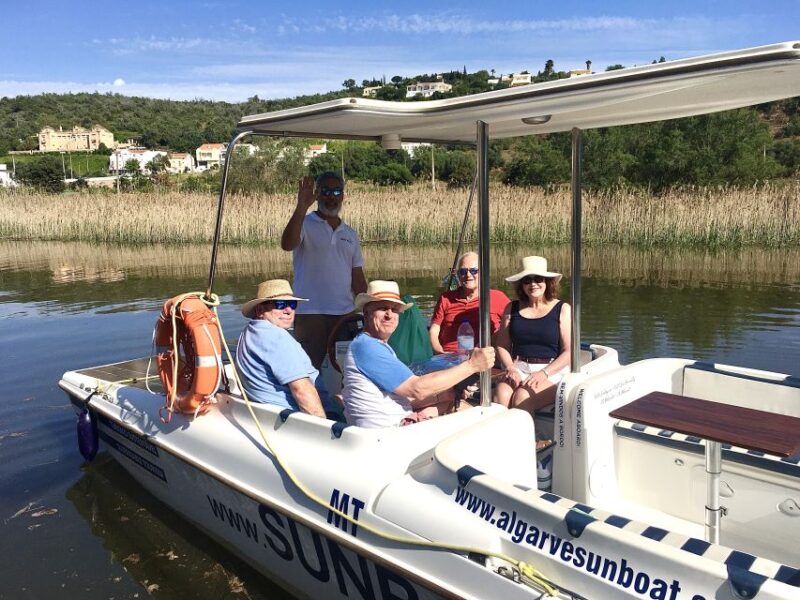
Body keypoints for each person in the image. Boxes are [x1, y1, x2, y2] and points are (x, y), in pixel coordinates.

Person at [342, 280, 495, 428]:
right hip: (389, 433)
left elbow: (404, 395)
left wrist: (444, 394)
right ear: (366, 313)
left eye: (394, 310)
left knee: (455, 404)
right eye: (382, 308)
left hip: (393, 425)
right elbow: (417, 389)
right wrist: (472, 366)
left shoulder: (374, 345)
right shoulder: (367, 347)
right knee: (483, 417)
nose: (389, 315)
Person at [280, 171, 368, 369]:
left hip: (344, 314)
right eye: (326, 191)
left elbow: (357, 276)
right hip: (310, 313)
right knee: (308, 370)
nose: (331, 197)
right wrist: (301, 207)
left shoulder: (350, 234)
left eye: (336, 191)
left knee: (345, 371)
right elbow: (287, 244)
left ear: (343, 195)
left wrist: (368, 308)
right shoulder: (304, 223)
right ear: (317, 194)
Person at [493, 256, 572, 418]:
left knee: (522, 396)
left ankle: (529, 435)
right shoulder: (512, 308)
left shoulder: (562, 308)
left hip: (551, 371)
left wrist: (544, 373)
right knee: (501, 393)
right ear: (521, 285)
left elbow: (569, 352)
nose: (533, 284)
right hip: (518, 367)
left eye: (538, 279)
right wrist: (510, 367)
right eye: (527, 280)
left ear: (547, 282)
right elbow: (502, 346)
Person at [236, 279, 327, 418]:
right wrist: (322, 426)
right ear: (260, 310)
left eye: (292, 304)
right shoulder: (276, 337)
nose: (289, 310)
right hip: (297, 419)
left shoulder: (250, 331)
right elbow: (302, 391)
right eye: (280, 304)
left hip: (267, 416)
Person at [429, 251, 510, 354]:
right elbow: (434, 329)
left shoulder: (497, 297)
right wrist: (438, 351)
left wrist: (494, 340)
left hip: (482, 356)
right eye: (463, 271)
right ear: (458, 275)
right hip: (448, 356)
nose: (468, 275)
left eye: (473, 271)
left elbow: (512, 324)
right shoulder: (445, 298)